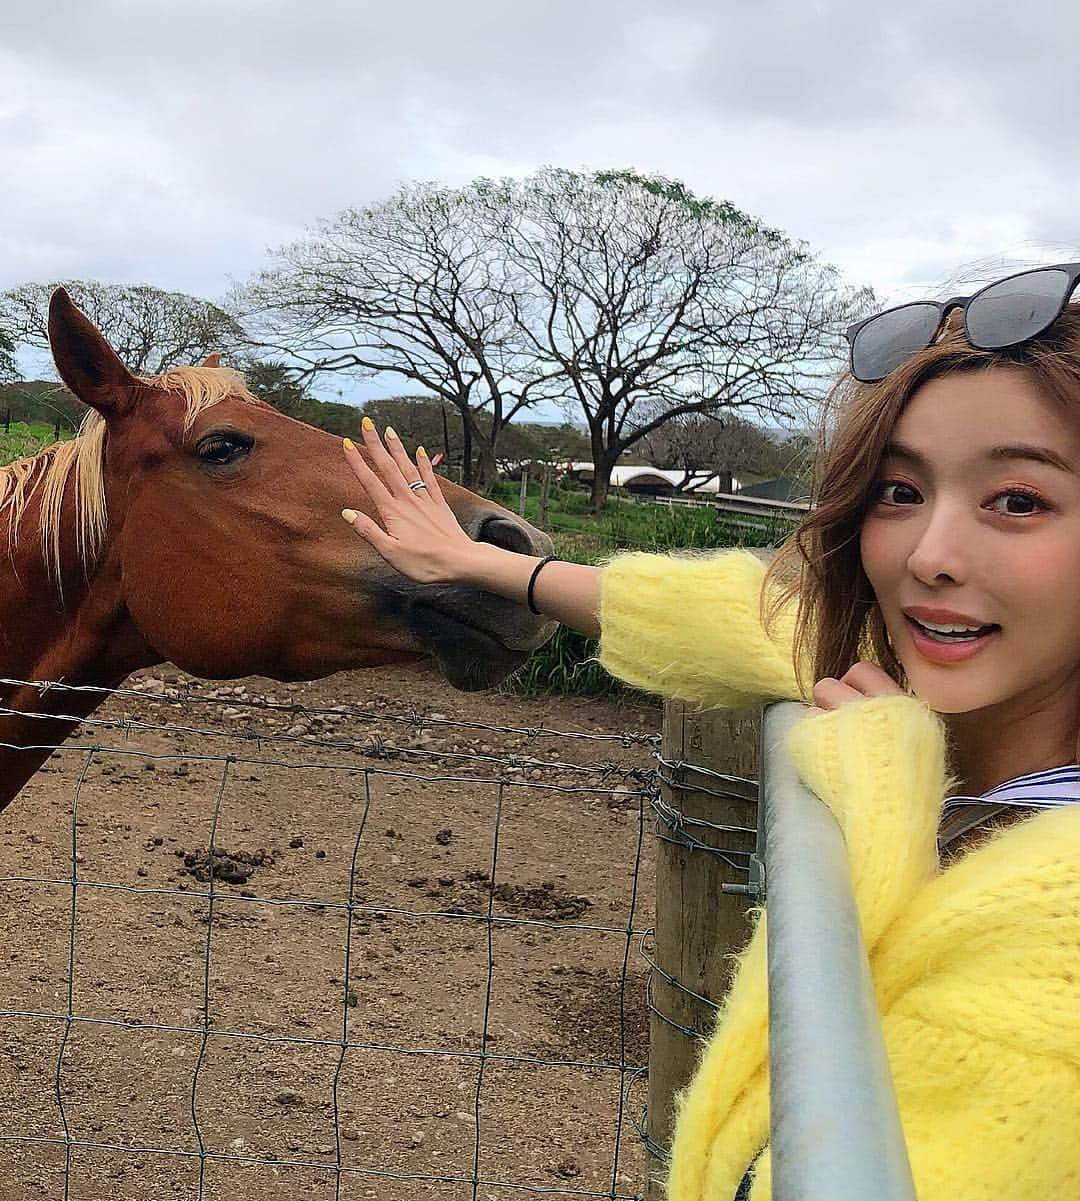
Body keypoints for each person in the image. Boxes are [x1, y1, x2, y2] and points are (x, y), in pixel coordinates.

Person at [339, 263, 1080, 1201]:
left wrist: (873, 805)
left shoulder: (1059, 936)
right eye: (899, 492)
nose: (930, 556)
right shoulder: (907, 657)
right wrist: (485, 563)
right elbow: (735, 612)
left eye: (1019, 500)